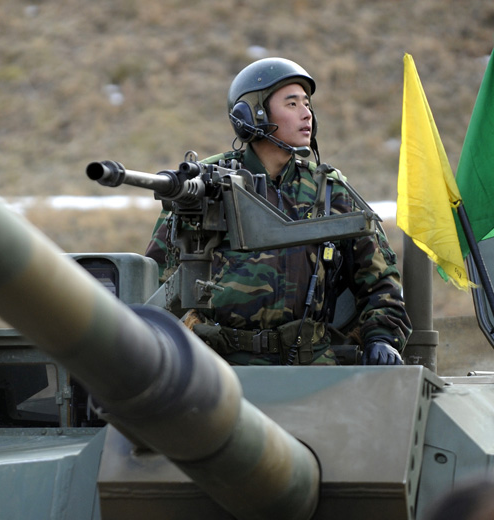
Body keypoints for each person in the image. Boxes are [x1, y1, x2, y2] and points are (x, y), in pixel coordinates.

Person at [145, 57, 411, 365]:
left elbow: (380, 280)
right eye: (292, 104)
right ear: (253, 114)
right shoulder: (206, 184)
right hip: (214, 364)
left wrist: (381, 337)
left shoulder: (329, 190)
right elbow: (158, 276)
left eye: (307, 104)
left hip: (308, 362)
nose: (307, 114)